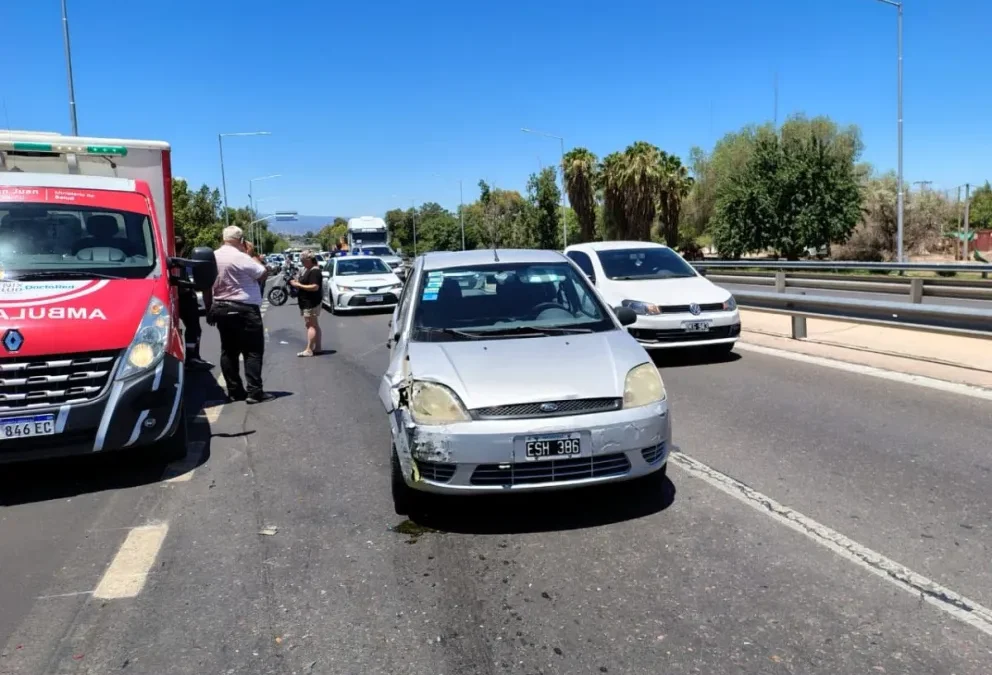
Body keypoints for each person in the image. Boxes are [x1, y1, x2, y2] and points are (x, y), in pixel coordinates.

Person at [207, 226, 273, 404]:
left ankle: (235, 390)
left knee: (229, 351)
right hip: (245, 309)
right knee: (252, 351)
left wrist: (209, 309)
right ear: (241, 240)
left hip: (221, 307)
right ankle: (254, 391)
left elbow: (206, 285)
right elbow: (263, 273)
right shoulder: (241, 257)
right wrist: (251, 254)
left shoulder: (213, 256)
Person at [174, 235, 214, 372]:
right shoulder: (183, 264)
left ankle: (188, 357)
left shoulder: (164, 262)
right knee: (194, 329)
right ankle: (191, 357)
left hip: (172, 300)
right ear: (184, 248)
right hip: (185, 300)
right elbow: (190, 284)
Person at [290, 249, 323, 357]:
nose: (302, 263)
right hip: (308, 302)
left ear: (309, 260)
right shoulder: (308, 269)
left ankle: (309, 349)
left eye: (303, 261)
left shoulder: (314, 271)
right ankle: (317, 347)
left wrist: (298, 285)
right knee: (314, 325)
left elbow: (314, 287)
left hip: (310, 302)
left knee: (310, 325)